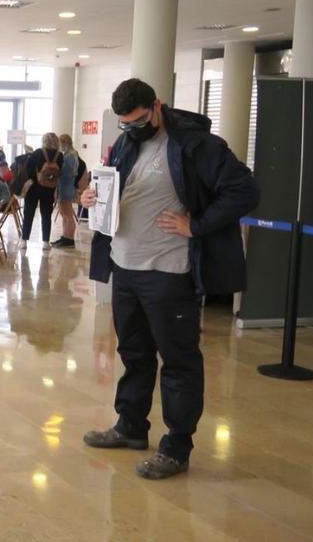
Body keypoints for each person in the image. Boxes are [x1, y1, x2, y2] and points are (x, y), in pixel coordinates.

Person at [81, 78, 258, 480]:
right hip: (125, 266)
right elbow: (116, 187)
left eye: (139, 120)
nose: (132, 129)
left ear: (156, 106)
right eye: (125, 124)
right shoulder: (127, 142)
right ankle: (130, 426)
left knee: (178, 362)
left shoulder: (197, 145)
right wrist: (92, 198)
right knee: (134, 354)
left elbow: (244, 190)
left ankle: (177, 446)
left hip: (168, 272)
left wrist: (197, 225)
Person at [21, 133, 62, 246]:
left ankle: (24, 241)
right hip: (49, 189)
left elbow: (29, 170)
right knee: (46, 215)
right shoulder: (60, 155)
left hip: (34, 188)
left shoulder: (38, 152)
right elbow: (60, 173)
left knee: (29, 214)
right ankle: (45, 242)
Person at [54, 134, 82, 248]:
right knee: (64, 213)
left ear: (66, 143)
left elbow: (66, 172)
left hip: (67, 186)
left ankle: (69, 238)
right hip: (65, 186)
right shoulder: (71, 154)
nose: (60, 147)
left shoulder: (70, 155)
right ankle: (65, 236)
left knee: (67, 214)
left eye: (61, 144)